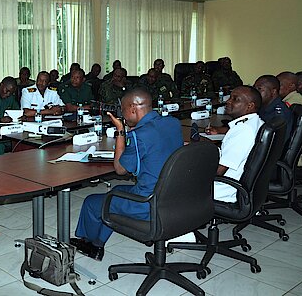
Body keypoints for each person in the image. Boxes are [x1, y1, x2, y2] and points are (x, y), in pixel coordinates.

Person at [71, 87, 183, 260]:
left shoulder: (140, 135)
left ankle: (91, 244)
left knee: (92, 202)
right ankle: (98, 244)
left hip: (148, 203)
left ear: (132, 108)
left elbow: (120, 169)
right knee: (116, 193)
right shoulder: (173, 123)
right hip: (174, 197)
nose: (122, 115)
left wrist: (120, 131)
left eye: (123, 110)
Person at [205, 86, 264, 203]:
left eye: (235, 99)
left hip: (225, 190)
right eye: (230, 97)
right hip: (241, 185)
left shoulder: (243, 131)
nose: (228, 101)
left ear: (250, 106)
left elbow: (219, 171)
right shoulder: (257, 122)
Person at [253, 75, 292, 145]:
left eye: (259, 89)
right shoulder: (264, 106)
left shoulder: (278, 115)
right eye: (254, 88)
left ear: (273, 91)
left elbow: (274, 144)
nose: (255, 93)